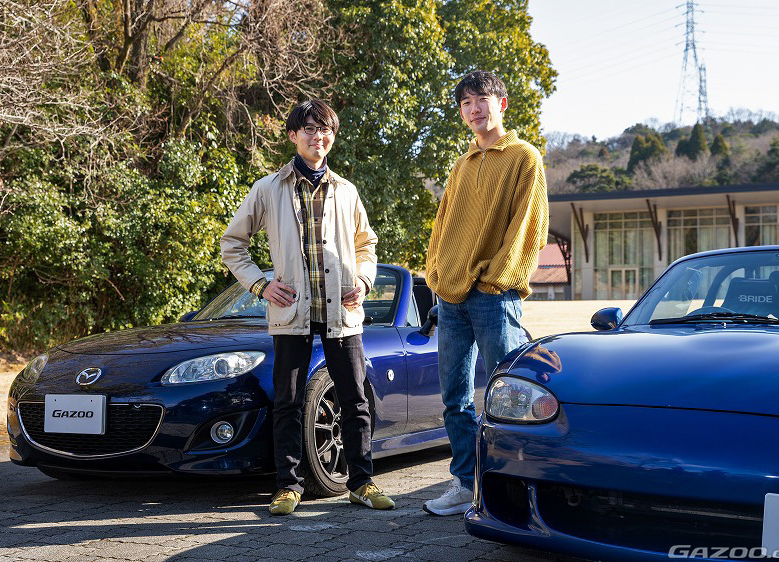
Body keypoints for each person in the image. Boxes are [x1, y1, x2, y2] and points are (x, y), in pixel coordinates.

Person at [221, 99, 394, 515]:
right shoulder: (268, 188)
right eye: (310, 129)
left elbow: (367, 245)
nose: (319, 136)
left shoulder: (346, 190)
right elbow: (233, 243)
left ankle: (361, 483)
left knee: (355, 400)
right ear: (293, 136)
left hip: (342, 313)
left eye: (326, 129)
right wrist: (261, 284)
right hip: (291, 314)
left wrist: (364, 280)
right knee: (288, 402)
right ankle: (288, 486)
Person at [423, 71, 549, 515]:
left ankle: (517, 489)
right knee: (454, 398)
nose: (474, 109)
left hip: (494, 295)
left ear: (502, 103)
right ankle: (464, 483)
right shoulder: (461, 165)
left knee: (514, 398)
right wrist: (436, 273)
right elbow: (443, 225)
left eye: (482, 99)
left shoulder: (523, 156)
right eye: (465, 103)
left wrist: (496, 278)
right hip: (451, 297)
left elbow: (529, 227)